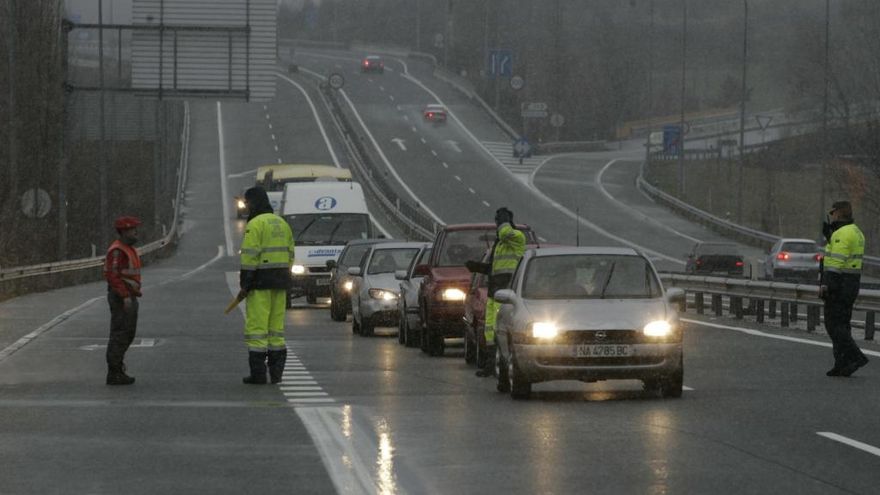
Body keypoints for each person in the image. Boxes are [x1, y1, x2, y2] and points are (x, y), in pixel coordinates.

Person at [239, 186, 296, 384]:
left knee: (257, 329)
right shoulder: (282, 223)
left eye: (247, 203)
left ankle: (258, 374)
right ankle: (277, 373)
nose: (246, 207)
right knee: (276, 330)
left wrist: (245, 284)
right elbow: (290, 255)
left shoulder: (255, 225)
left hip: (259, 284)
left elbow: (249, 258)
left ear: (254, 202)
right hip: (280, 284)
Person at [466, 207, 526, 377]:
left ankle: (504, 365)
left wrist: (505, 221)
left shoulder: (517, 238)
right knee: (490, 331)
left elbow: (507, 233)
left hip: (508, 293)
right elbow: (493, 269)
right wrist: (476, 267)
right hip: (494, 293)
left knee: (503, 332)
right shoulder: (498, 246)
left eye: (499, 222)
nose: (498, 226)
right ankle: (491, 365)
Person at [820, 201, 869, 377]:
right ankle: (841, 364)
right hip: (851, 283)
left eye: (833, 212)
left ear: (839, 213)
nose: (831, 215)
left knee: (833, 324)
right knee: (842, 323)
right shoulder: (856, 231)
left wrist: (827, 285)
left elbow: (836, 262)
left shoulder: (842, 233)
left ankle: (855, 357)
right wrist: (830, 238)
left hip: (839, 283)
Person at [103, 216, 143, 385]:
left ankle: (117, 369)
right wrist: (125, 295)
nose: (136, 232)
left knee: (127, 333)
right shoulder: (118, 250)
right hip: (121, 297)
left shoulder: (128, 248)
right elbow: (112, 275)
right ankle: (114, 371)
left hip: (129, 296)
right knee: (120, 333)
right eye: (132, 229)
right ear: (124, 231)